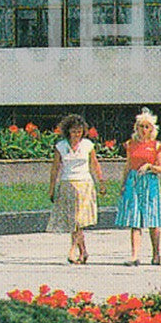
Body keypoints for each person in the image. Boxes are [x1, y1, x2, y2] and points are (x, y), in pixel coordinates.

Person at [47, 113, 107, 264]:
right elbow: (55, 168)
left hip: (85, 184)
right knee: (74, 220)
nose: (76, 134)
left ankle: (72, 250)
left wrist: (101, 182)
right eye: (73, 131)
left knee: (78, 220)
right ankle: (83, 251)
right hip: (68, 183)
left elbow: (94, 164)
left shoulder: (87, 145)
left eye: (79, 131)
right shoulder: (60, 147)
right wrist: (52, 188)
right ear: (68, 131)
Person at [115, 108, 161, 264]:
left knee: (153, 219)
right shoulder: (131, 144)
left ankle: (156, 254)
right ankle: (135, 255)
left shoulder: (156, 145)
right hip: (134, 181)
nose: (143, 130)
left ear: (152, 128)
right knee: (134, 219)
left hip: (150, 183)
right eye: (140, 126)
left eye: (147, 127)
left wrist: (150, 166)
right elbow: (128, 165)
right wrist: (123, 184)